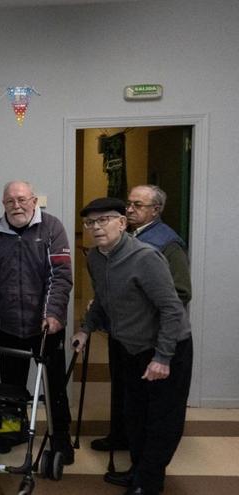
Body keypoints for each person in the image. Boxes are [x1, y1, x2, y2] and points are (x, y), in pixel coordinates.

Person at [74, 197, 192, 495]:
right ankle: (139, 471)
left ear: (122, 223)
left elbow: (172, 309)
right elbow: (102, 297)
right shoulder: (96, 258)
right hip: (129, 348)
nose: (96, 227)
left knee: (161, 421)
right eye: (90, 223)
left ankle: (148, 483)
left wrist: (163, 357)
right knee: (134, 416)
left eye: (104, 220)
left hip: (166, 348)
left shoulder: (146, 257)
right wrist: (86, 329)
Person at [0, 180, 74, 463]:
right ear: (3, 204)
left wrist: (53, 313)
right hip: (9, 323)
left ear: (33, 200)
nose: (16, 205)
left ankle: (60, 438)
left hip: (46, 325)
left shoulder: (52, 228)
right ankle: (12, 432)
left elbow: (61, 276)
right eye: (10, 201)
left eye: (22, 200)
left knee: (54, 384)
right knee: (11, 384)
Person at [91, 184, 193, 453]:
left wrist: (162, 349)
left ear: (156, 210)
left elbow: (179, 295)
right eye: (129, 204)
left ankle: (148, 471)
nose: (131, 208)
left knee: (157, 410)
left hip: (156, 336)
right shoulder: (109, 246)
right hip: (124, 334)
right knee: (127, 397)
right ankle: (123, 439)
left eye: (138, 205)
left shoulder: (166, 243)